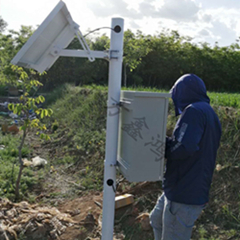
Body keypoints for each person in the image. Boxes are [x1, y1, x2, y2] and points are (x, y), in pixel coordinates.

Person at [150, 73, 221, 240]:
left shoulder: (193, 111)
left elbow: (183, 148)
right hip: (185, 188)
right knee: (156, 220)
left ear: (181, 93)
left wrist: (161, 145)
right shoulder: (208, 112)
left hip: (184, 192)